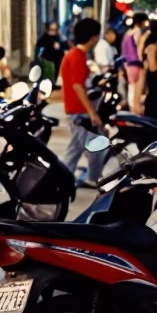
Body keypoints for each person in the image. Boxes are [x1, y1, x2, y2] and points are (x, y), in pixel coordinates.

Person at [60, 18, 104, 188]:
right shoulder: (77, 55)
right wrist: (92, 113)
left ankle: (66, 179)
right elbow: (78, 86)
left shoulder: (75, 54)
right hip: (79, 111)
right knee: (95, 147)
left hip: (76, 110)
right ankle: (91, 178)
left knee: (77, 149)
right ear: (93, 37)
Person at [121, 11, 149, 111]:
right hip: (136, 63)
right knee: (137, 88)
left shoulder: (127, 33)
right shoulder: (138, 32)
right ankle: (135, 110)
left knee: (131, 87)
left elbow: (123, 51)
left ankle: (132, 109)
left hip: (128, 64)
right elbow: (139, 48)